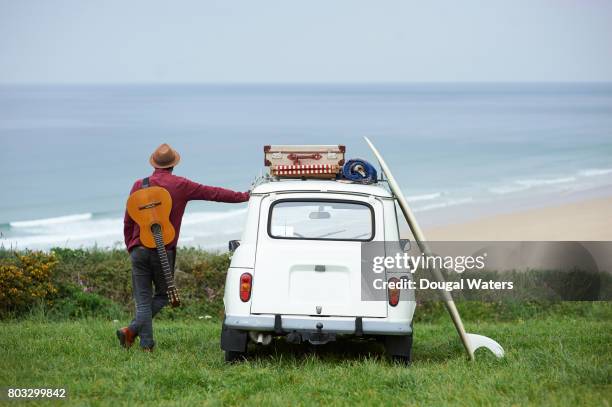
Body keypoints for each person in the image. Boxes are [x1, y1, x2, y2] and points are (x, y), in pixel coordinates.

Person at [117, 143, 250, 351]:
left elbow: (128, 220)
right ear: (173, 165)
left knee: (142, 301)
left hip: (139, 250)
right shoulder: (180, 185)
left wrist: (131, 247)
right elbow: (213, 193)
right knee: (162, 296)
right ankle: (134, 334)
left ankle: (141, 340)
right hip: (164, 251)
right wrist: (244, 196)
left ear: (154, 164)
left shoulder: (138, 185)